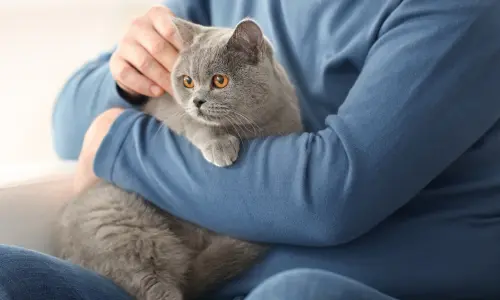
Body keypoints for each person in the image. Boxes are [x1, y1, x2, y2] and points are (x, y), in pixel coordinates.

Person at [1, 0, 500, 299]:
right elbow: (68, 120)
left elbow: (330, 194)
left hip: (363, 286)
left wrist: (118, 142)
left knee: (298, 294)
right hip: (179, 275)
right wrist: (131, 83)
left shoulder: (460, 10)